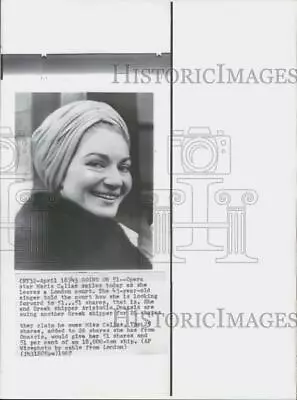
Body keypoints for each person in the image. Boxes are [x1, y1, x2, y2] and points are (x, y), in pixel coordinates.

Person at [15, 100, 152, 270]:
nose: (116, 180)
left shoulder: (118, 238)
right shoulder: (32, 248)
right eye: (96, 164)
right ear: (59, 169)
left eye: (123, 167)